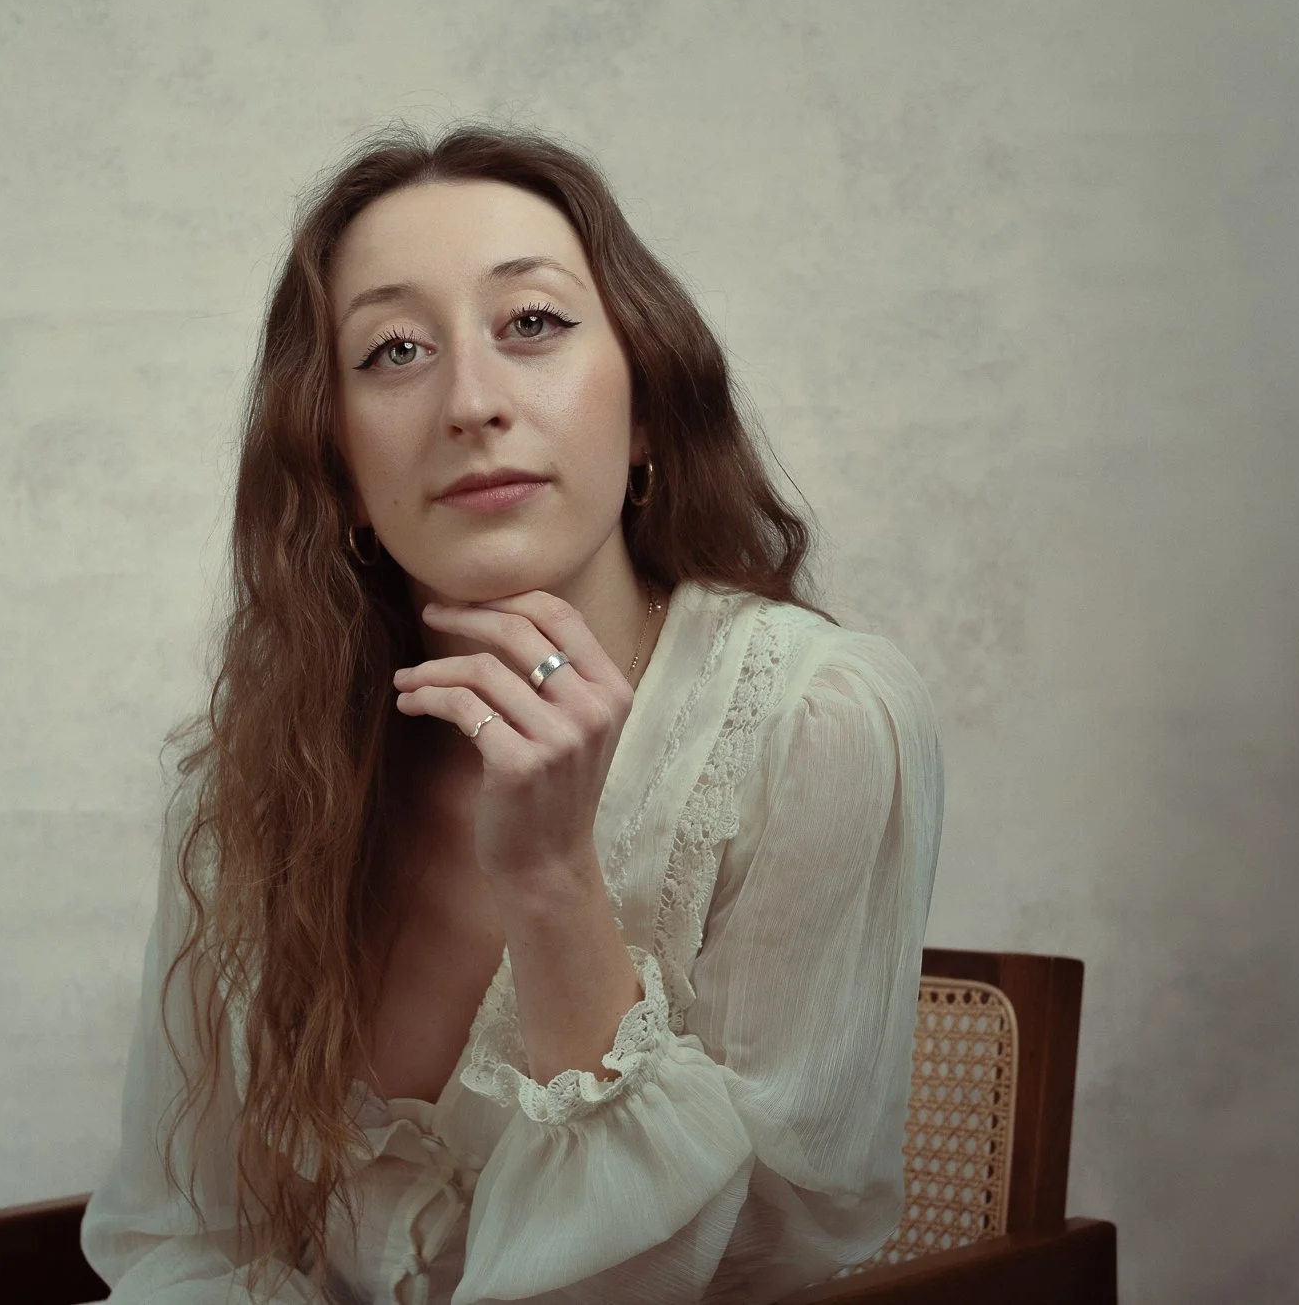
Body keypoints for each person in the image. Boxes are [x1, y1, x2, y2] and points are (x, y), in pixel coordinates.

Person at [79, 122, 945, 1305]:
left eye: (530, 324)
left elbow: (751, 1270)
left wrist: (551, 883)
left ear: (645, 409)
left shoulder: (821, 721)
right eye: (392, 350)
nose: (471, 402)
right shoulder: (245, 785)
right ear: (332, 466)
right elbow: (180, 1238)